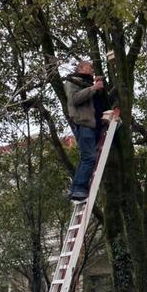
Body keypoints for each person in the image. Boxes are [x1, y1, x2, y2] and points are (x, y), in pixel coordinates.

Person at [64, 60, 105, 202]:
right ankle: (79, 188)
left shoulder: (86, 83)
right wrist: (93, 88)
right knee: (89, 158)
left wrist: (97, 88)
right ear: (81, 67)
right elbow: (75, 99)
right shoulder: (73, 80)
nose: (92, 69)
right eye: (90, 67)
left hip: (92, 126)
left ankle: (77, 188)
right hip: (84, 125)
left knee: (86, 157)